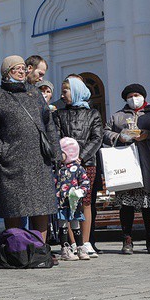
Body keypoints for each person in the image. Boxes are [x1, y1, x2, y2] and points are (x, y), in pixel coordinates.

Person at [0, 56, 59, 242]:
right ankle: (16, 248)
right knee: (13, 207)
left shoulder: (34, 93)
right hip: (11, 162)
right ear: (7, 71)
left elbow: (48, 124)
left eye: (24, 68)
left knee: (41, 206)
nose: (22, 71)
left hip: (39, 160)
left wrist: (55, 152)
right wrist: (0, 152)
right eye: (17, 68)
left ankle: (39, 249)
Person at [103, 83, 150, 255]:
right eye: (130, 96)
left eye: (137, 95)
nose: (134, 98)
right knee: (126, 204)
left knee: (148, 204)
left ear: (143, 96)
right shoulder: (118, 116)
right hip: (125, 164)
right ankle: (127, 238)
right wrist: (119, 137)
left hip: (148, 163)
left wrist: (149, 135)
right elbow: (105, 133)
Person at [54, 76, 103, 258]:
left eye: (65, 91)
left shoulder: (93, 114)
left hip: (87, 163)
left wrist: (81, 157)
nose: (62, 94)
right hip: (65, 166)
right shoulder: (59, 114)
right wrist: (67, 158)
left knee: (85, 201)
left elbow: (96, 138)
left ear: (75, 92)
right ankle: (71, 243)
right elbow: (57, 138)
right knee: (66, 202)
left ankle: (86, 242)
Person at [53, 137, 90, 260]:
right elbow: (52, 183)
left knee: (76, 225)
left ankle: (80, 247)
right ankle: (65, 248)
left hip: (73, 204)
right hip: (61, 204)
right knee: (62, 226)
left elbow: (85, 182)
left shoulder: (78, 168)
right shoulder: (58, 169)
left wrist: (80, 192)